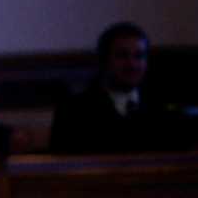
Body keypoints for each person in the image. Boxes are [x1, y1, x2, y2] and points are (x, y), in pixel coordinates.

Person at [49, 21, 183, 154]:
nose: (132, 64)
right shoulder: (73, 112)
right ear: (104, 60)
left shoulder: (163, 110)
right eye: (122, 56)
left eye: (139, 56)